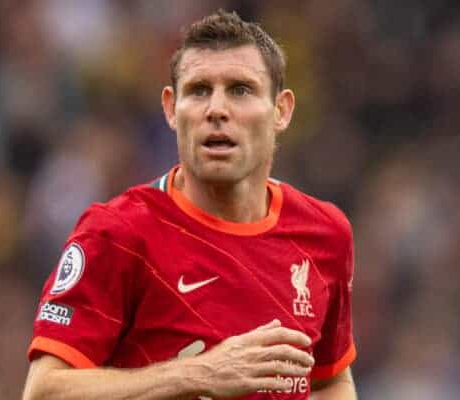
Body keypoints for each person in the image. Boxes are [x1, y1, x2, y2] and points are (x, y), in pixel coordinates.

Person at [22, 9, 357, 400]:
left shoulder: (325, 233)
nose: (216, 109)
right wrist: (199, 374)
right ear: (170, 108)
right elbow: (44, 392)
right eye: (199, 90)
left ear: (281, 110)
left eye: (240, 89)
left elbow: (330, 379)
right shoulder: (117, 233)